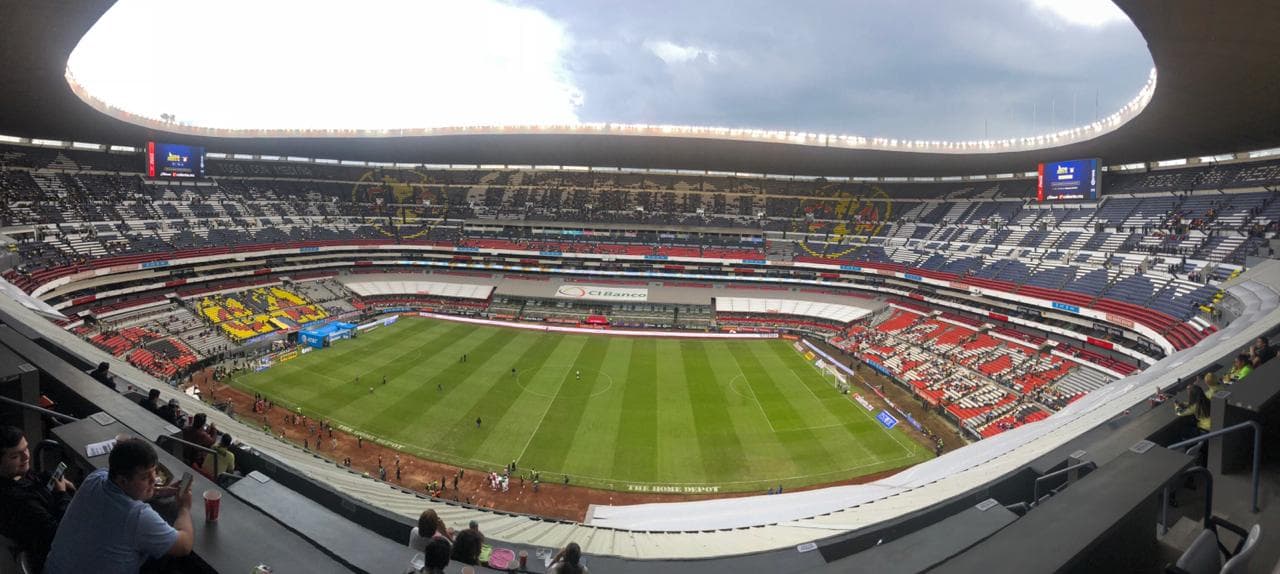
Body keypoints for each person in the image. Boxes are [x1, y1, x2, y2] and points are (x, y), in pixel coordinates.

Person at [44, 439, 194, 574]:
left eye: (154, 471)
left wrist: (157, 492)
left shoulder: (95, 478)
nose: (154, 480)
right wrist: (184, 508)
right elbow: (184, 545)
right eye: (144, 477)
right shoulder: (137, 516)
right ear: (122, 480)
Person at [0, 426, 75, 572]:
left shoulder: (17, 474)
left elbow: (34, 479)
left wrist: (49, 478)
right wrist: (61, 494)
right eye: (15, 456)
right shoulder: (18, 500)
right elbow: (60, 532)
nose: (26, 457)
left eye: (26, 449)